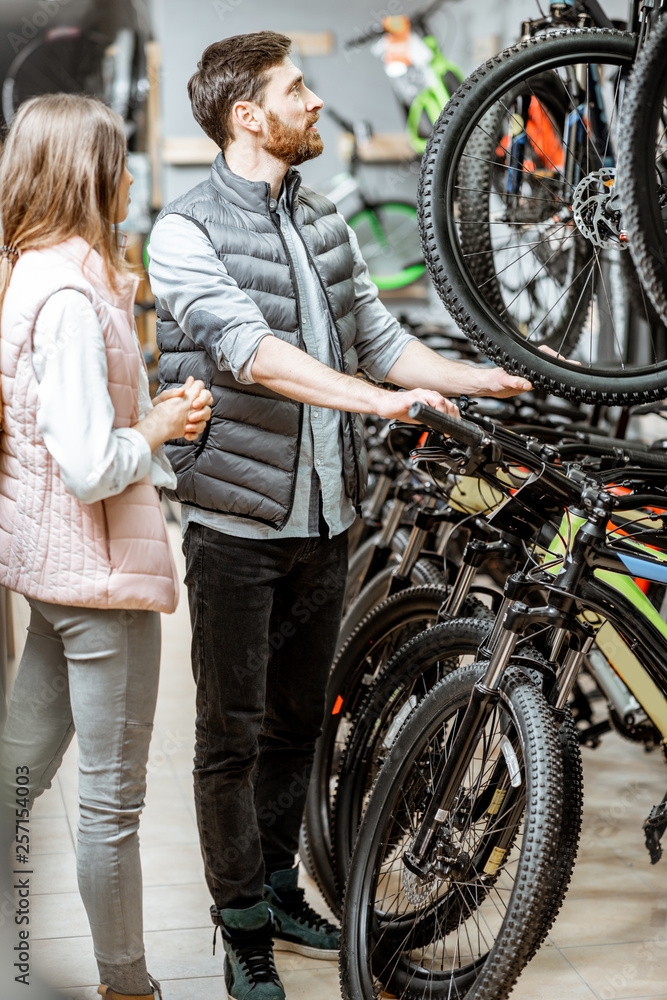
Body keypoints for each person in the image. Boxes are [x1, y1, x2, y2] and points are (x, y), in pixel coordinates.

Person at [147, 30, 531, 1000]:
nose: (315, 102)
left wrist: (471, 377)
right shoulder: (181, 230)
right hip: (236, 529)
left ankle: (276, 883)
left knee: (297, 726)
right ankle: (240, 931)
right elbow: (250, 354)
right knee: (227, 738)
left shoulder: (323, 222)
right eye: (296, 89)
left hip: (325, 521)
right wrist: (373, 401)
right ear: (248, 116)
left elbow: (382, 341)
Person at [0, 93, 212, 1000]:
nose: (130, 177)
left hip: (57, 572)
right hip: (100, 583)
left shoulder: (33, 272)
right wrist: (161, 422)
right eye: (118, 160)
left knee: (17, 766)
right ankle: (129, 987)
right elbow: (90, 466)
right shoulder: (72, 302)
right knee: (109, 806)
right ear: (88, 175)